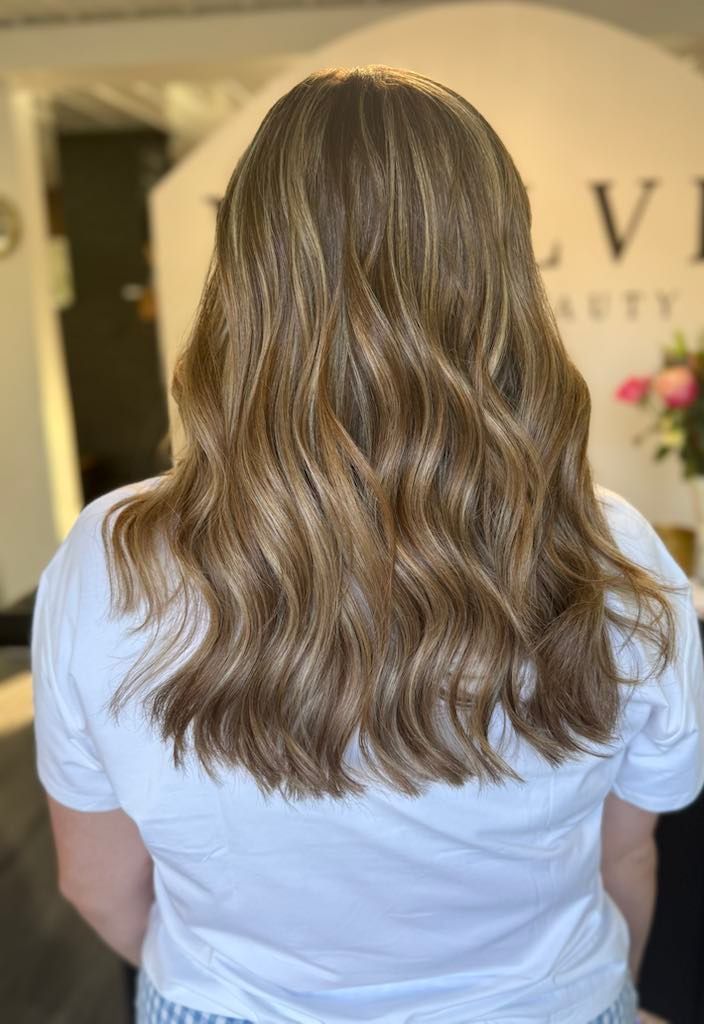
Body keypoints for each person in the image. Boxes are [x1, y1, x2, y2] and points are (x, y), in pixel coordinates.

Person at [31, 65, 704, 1024]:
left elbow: (96, 885)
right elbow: (625, 858)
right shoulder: (611, 554)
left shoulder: (111, 555)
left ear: (246, 271)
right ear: (502, 273)